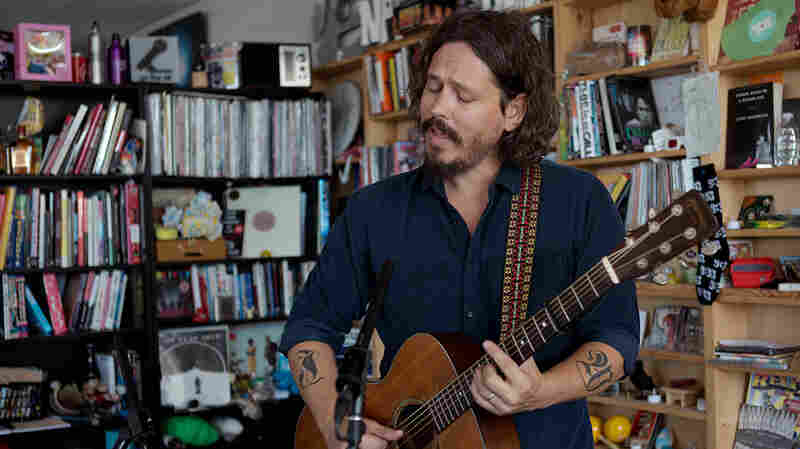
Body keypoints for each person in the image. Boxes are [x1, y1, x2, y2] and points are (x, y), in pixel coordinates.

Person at [279, 9, 639, 449]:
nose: (437, 108)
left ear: (514, 111)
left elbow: (616, 340)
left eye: (462, 97)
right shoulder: (374, 210)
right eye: (433, 88)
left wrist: (541, 391)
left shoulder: (577, 201)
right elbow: (310, 326)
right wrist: (334, 420)